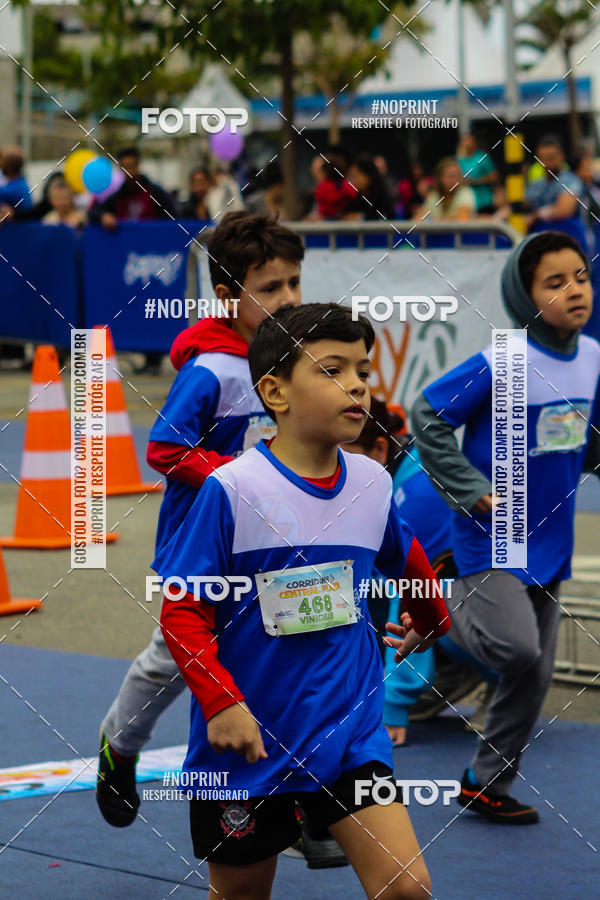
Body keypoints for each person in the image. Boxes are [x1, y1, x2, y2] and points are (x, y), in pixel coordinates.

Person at [156, 302, 451, 898]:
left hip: (350, 733)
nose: (357, 386)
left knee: (407, 887)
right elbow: (182, 611)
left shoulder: (372, 482)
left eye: (363, 371)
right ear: (276, 392)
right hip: (251, 741)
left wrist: (430, 617)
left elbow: (404, 554)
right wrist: (221, 703)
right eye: (333, 370)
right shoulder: (234, 489)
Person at [96, 211, 304, 824]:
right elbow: (163, 448)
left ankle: (290, 799)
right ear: (226, 296)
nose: (288, 298)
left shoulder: (294, 357)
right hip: (197, 545)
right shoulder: (213, 369)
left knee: (278, 654)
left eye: (294, 282)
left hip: (269, 546)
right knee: (173, 660)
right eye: (270, 289)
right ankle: (119, 744)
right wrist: (233, 474)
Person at [409, 231, 600, 823]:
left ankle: (484, 783)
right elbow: (427, 414)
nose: (575, 290)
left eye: (582, 277)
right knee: (516, 646)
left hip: (552, 535)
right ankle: (439, 606)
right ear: (524, 294)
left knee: (533, 669)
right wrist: (468, 489)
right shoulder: (505, 358)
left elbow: (586, 443)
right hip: (493, 530)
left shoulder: (593, 358)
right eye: (555, 282)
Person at [343, 399, 494, 748]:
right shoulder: (395, 466)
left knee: (402, 592)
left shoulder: (419, 494)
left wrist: (393, 704)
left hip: (488, 604)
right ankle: (436, 674)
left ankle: (476, 675)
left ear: (380, 448)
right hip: (460, 591)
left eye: (344, 456)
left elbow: (418, 594)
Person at [88, 146, 179, 229]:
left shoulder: (156, 193)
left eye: (131, 166)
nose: (129, 172)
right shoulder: (117, 197)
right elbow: (94, 211)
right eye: (124, 167)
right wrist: (103, 216)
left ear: (138, 166)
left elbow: (173, 218)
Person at [526, 135, 583, 230]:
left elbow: (564, 210)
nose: (547, 162)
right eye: (543, 157)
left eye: (552, 157)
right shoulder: (537, 184)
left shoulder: (571, 180)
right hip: (543, 235)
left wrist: (536, 215)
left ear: (562, 156)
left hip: (569, 234)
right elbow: (520, 203)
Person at [414, 158, 476, 222]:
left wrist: (432, 221)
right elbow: (419, 218)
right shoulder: (434, 195)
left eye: (458, 176)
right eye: (450, 176)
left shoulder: (465, 192)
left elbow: (462, 219)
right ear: (440, 178)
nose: (455, 180)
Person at [345, 153, 396, 220]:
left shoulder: (381, 196)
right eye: (351, 177)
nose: (352, 181)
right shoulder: (354, 196)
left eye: (355, 176)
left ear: (368, 177)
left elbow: (388, 218)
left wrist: (361, 217)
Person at [457, 133, 498, 215]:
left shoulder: (482, 157)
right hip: (466, 203)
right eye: (463, 141)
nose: (466, 143)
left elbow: (494, 177)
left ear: (474, 142)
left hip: (484, 203)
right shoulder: (460, 159)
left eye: (468, 140)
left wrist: (475, 181)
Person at [0, 145, 32, 216]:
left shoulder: (13, 190)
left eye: (2, 161)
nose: (0, 165)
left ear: (9, 167)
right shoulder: (20, 184)